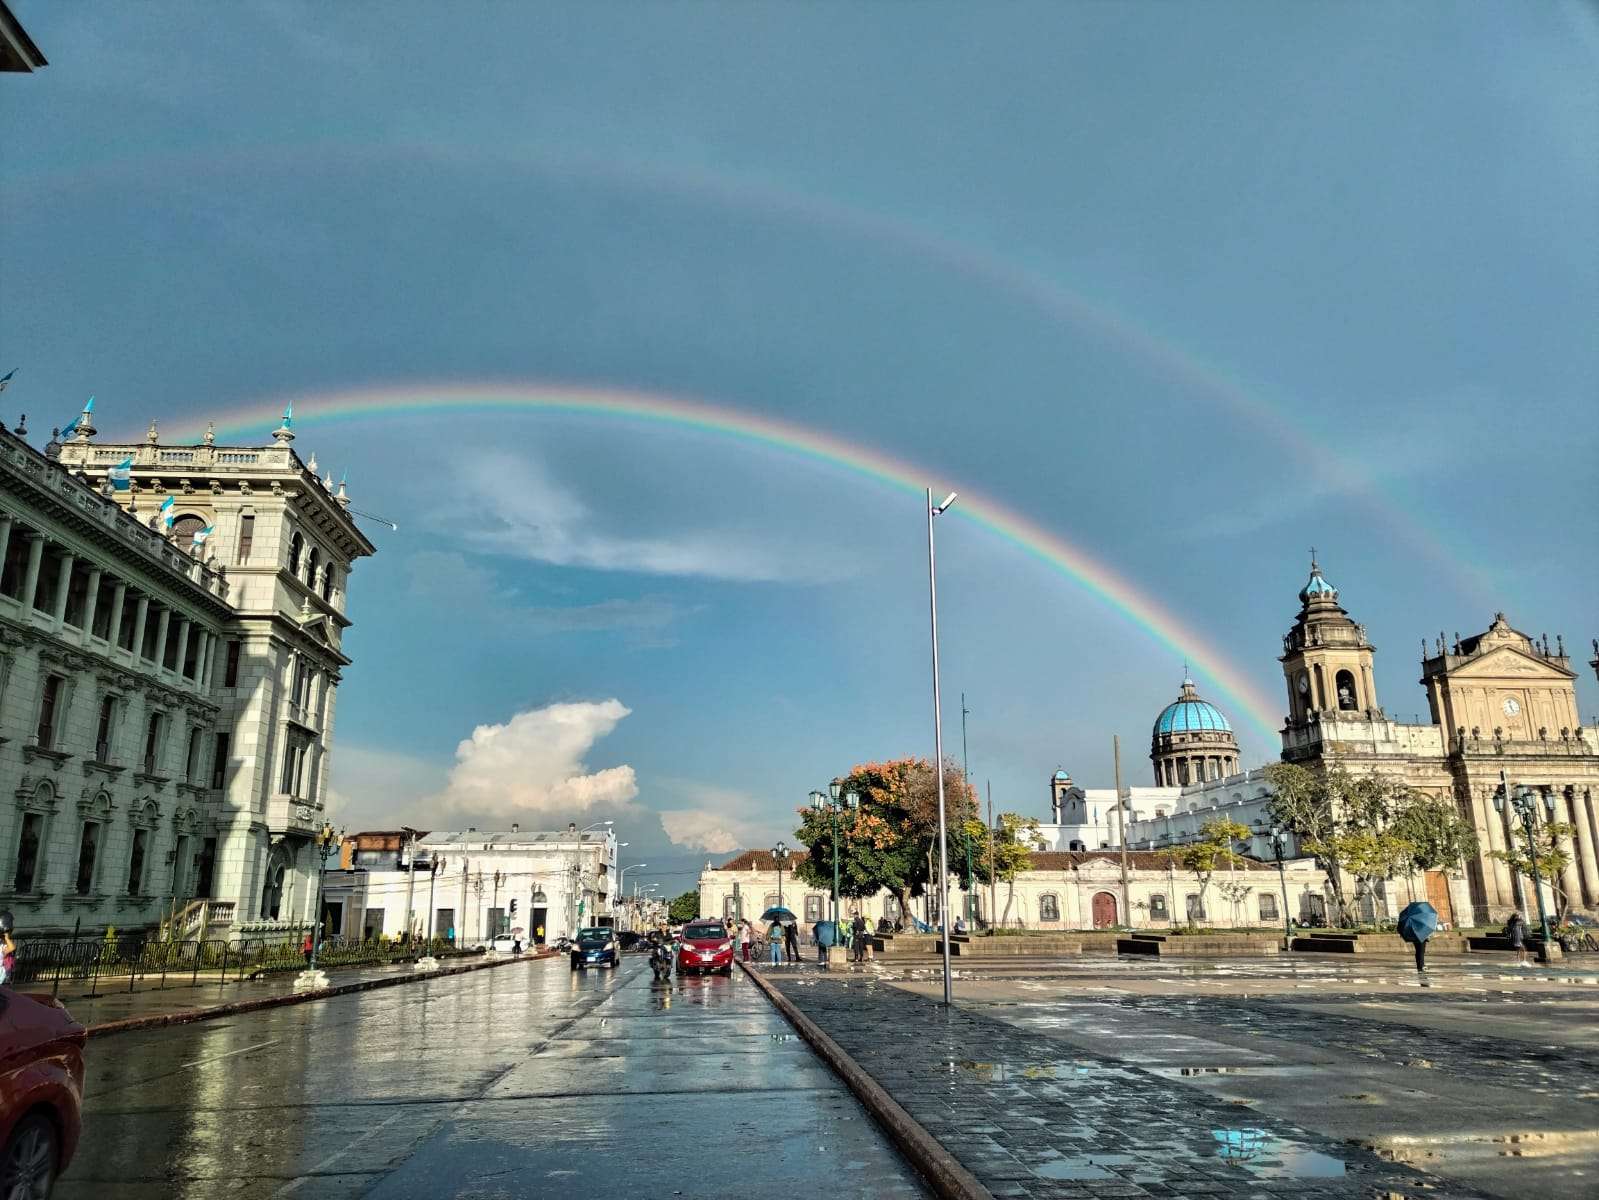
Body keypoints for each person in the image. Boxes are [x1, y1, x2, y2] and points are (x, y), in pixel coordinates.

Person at [0, 910, 15, 987]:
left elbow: (12, 947)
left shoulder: (3, 946)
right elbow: (12, 948)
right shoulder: (3, 946)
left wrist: (6, 937)